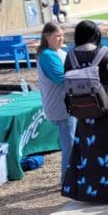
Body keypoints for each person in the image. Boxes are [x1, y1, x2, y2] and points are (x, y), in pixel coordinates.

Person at [61, 20, 108, 203]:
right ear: (96, 35)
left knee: (89, 150)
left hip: (83, 111)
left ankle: (90, 192)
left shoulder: (70, 57)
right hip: (107, 108)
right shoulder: (104, 55)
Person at [36, 22, 73, 184]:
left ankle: (71, 177)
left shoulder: (59, 52)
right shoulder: (47, 55)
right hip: (61, 107)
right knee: (69, 146)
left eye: (62, 35)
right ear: (47, 37)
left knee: (71, 143)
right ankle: (68, 180)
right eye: (57, 35)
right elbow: (61, 79)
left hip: (67, 105)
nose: (61, 38)